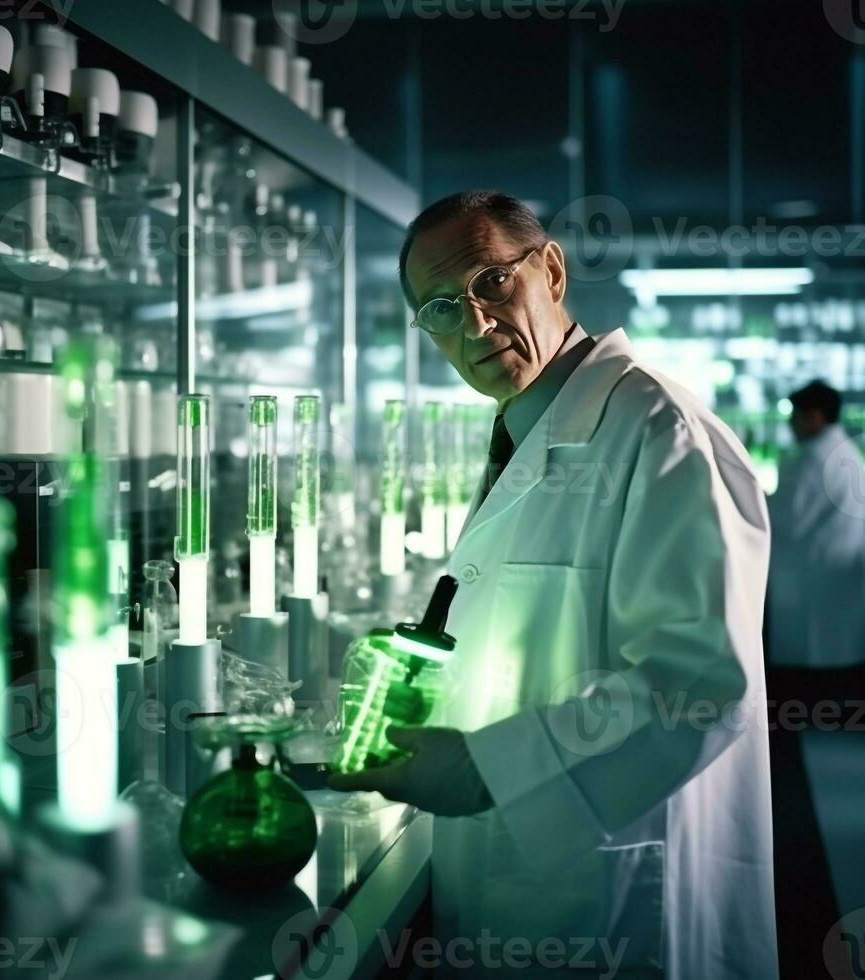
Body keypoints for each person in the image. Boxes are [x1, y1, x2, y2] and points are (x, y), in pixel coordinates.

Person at [329, 192, 778, 979]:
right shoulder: (524, 427)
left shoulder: (658, 431)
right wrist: (423, 678)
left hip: (618, 900)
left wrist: (484, 768)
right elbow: (534, 622)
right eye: (439, 308)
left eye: (490, 284)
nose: (472, 324)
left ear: (552, 271)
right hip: (527, 883)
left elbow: (699, 685)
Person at [766, 379, 865, 705]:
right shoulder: (846, 452)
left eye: (795, 415)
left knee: (805, 671)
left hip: (811, 580)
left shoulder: (810, 460)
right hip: (835, 577)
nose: (791, 423)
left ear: (816, 416)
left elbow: (781, 518)